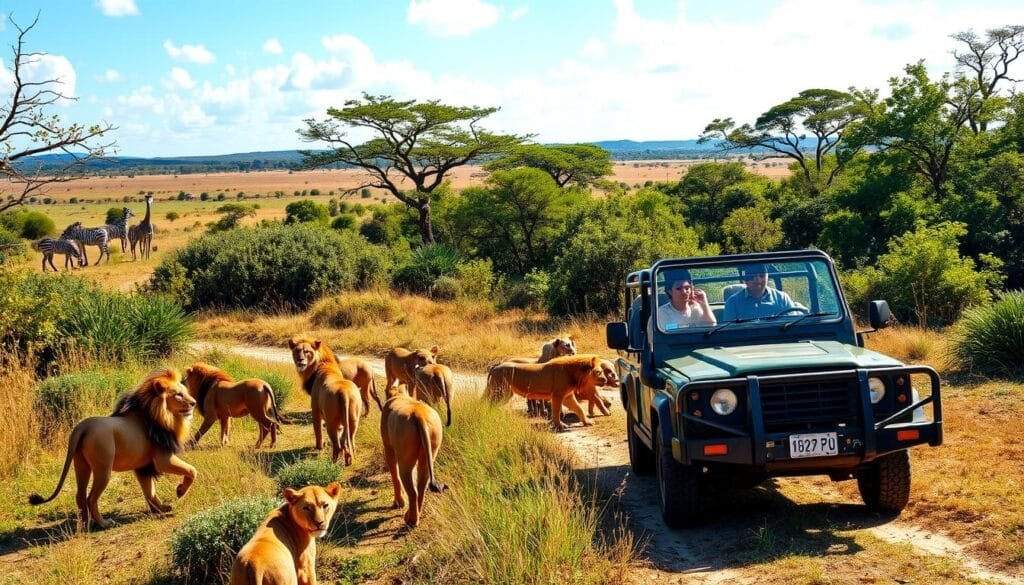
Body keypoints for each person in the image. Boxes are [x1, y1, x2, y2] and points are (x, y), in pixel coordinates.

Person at [723, 264, 801, 321]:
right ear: (745, 279)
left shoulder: (783, 299)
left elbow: (793, 327)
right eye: (752, 277)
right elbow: (729, 334)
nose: (758, 281)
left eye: (762, 275)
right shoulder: (733, 303)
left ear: (767, 276)